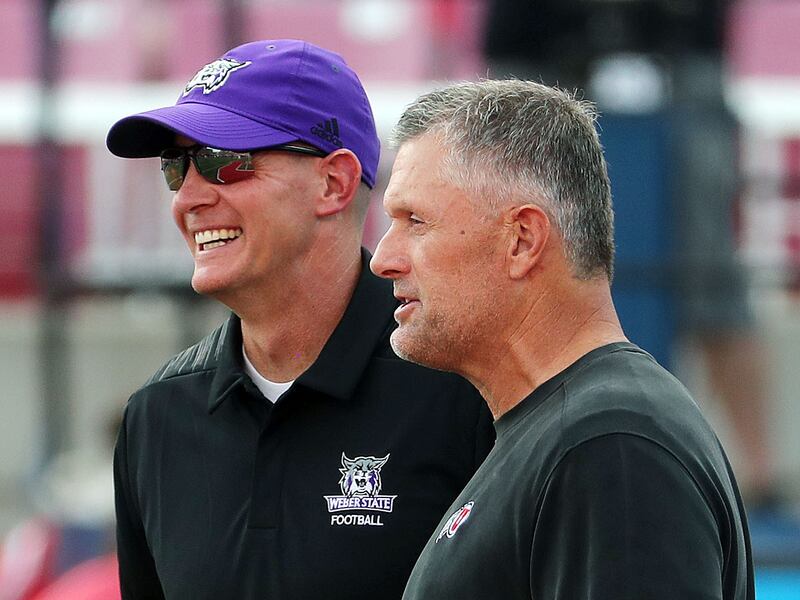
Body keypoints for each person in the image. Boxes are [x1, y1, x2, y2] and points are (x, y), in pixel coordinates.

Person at [105, 40, 494, 599]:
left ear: (333, 183)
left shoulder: (468, 387)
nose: (187, 197)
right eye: (175, 167)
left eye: (222, 161)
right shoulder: (157, 417)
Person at [370, 79, 754, 599]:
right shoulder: (575, 433)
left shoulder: (609, 445)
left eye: (415, 221)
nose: (382, 258)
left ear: (522, 240)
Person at [484, 0, 778, 511]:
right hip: (540, 63)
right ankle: (503, 470)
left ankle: (763, 484)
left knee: (713, 279)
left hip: (681, 64)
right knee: (519, 271)